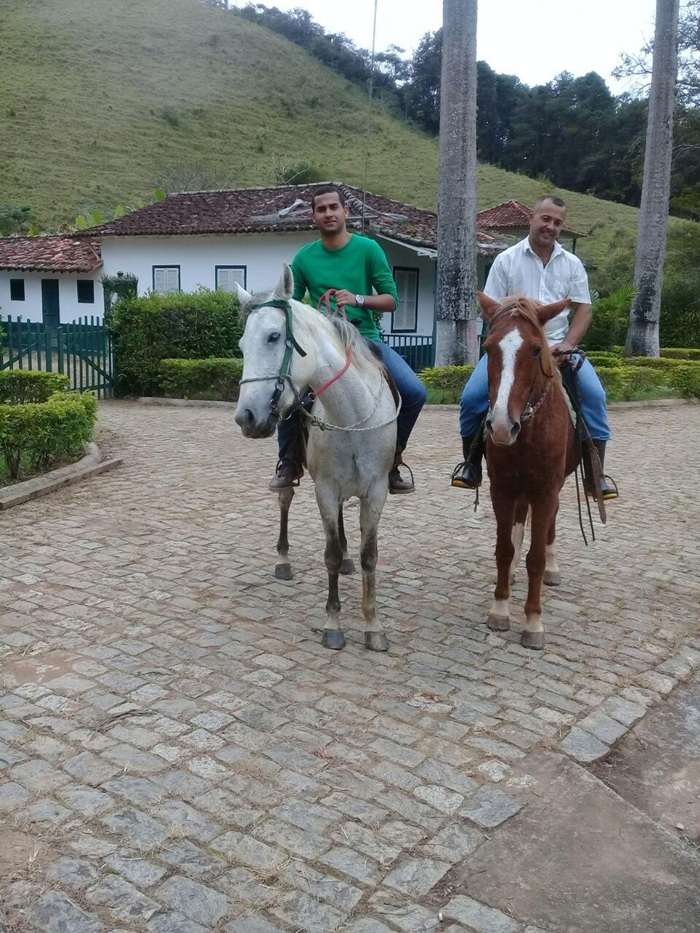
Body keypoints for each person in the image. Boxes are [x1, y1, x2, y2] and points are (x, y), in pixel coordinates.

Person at [451, 195, 618, 500]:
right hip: (514, 349)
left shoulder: (572, 264)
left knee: (594, 395)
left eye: (557, 222)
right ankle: (471, 463)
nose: (551, 226)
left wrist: (568, 345)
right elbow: (492, 310)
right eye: (546, 219)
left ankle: (596, 474)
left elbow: (584, 309)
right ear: (532, 218)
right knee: (472, 397)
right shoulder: (506, 260)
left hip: (558, 347)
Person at [270, 184, 427, 494]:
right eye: (321, 209)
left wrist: (357, 298)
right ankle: (288, 460)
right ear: (313, 216)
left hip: (365, 340)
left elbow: (391, 299)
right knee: (289, 396)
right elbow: (293, 303)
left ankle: (393, 458)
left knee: (414, 392)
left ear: (346, 212)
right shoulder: (303, 259)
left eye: (333, 207)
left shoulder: (369, 249)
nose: (328, 213)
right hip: (323, 346)